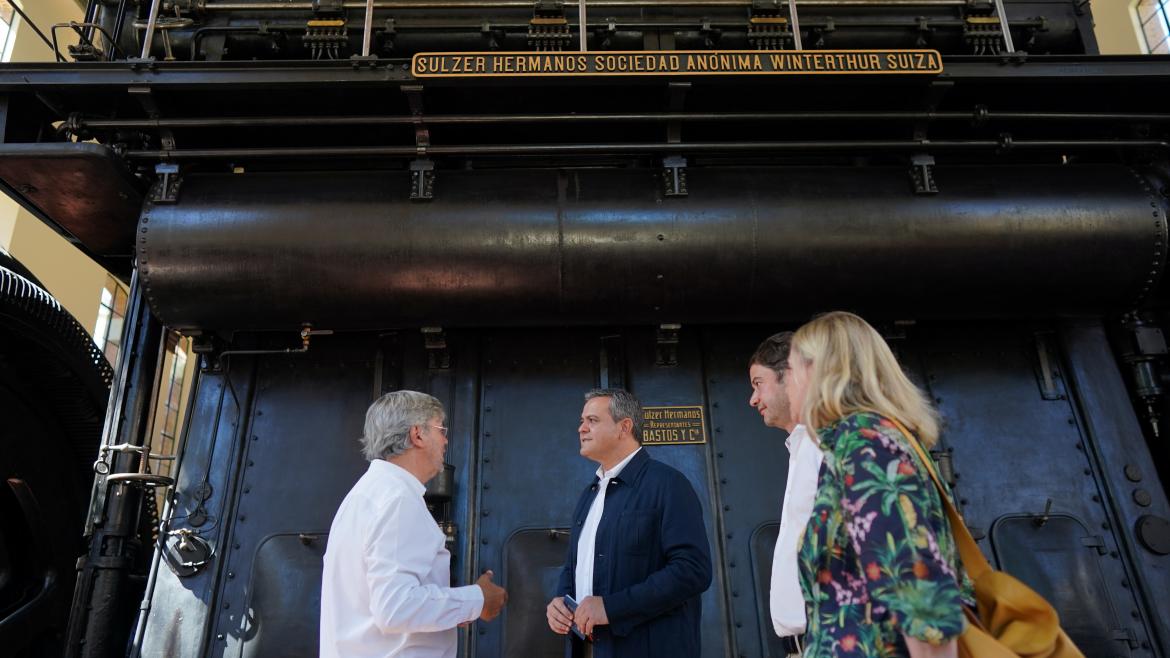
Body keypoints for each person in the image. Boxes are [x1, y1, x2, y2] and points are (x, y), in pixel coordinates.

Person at [785, 312, 970, 658]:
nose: (788, 382)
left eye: (791, 370)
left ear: (818, 372)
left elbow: (917, 588)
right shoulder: (858, 443)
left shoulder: (866, 445)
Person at [320, 390, 507, 658]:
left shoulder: (365, 495)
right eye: (441, 429)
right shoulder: (398, 501)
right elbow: (395, 609)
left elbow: (381, 604)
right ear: (417, 435)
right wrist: (477, 599)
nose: (445, 440)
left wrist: (452, 610)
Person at [545, 388, 712, 658]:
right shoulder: (590, 494)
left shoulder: (669, 485)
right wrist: (560, 602)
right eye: (582, 420)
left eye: (592, 421)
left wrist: (611, 608)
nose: (581, 429)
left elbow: (692, 570)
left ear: (624, 427)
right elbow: (574, 565)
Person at [748, 332, 824, 657]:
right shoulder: (800, 449)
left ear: (789, 376)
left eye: (758, 383)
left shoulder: (826, 448)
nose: (753, 399)